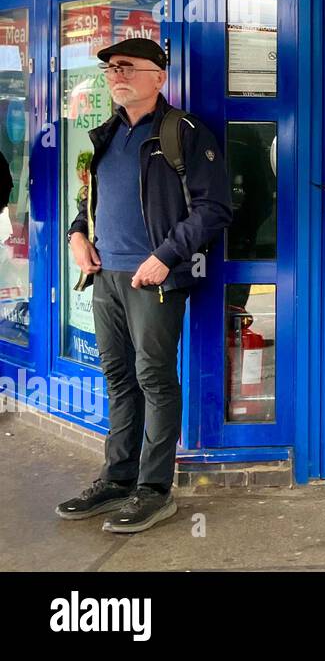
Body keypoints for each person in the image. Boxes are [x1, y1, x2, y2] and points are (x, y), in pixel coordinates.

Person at [57, 38, 232, 532]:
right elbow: (90, 199)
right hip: (105, 276)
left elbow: (215, 209)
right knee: (118, 377)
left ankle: (154, 488)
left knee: (154, 378)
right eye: (111, 68)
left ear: (159, 76)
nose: (116, 75)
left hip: (151, 277)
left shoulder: (184, 132)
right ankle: (116, 479)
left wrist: (165, 257)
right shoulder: (108, 133)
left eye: (128, 67)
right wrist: (77, 233)